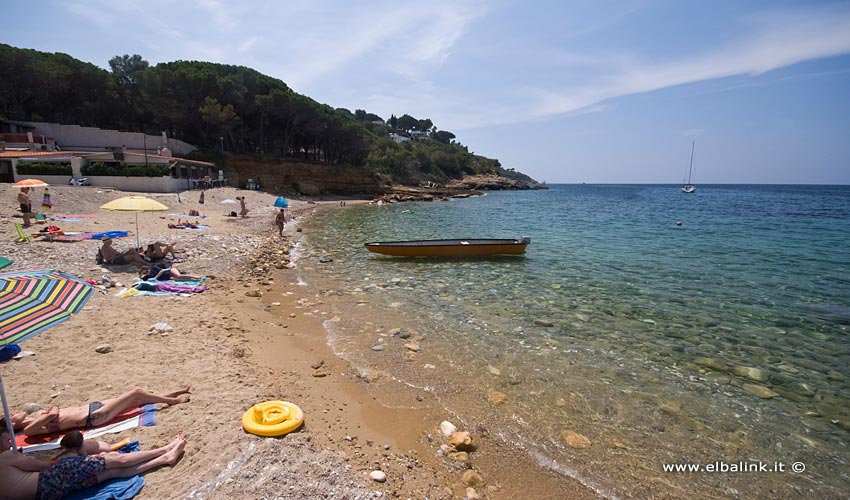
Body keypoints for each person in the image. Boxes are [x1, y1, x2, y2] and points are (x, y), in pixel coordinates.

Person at [0, 429, 186, 500]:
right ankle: (164, 449)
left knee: (111, 473)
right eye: (6, 439)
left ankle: (165, 458)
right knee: (114, 460)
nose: (9, 442)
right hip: (51, 478)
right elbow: (41, 467)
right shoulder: (7, 457)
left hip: (49, 494)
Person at [10, 387, 191, 437]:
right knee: (136, 392)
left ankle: (169, 394)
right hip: (93, 418)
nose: (15, 412)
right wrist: (52, 410)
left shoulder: (35, 418)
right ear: (12, 425)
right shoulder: (28, 430)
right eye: (12, 416)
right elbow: (51, 414)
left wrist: (51, 410)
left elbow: (52, 412)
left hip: (92, 407)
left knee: (136, 400)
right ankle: (173, 400)